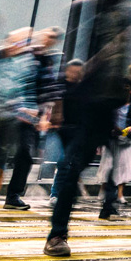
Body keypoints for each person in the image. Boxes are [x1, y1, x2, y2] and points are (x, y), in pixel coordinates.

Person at [44, 0, 131, 257]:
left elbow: (120, 65)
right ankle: (57, 235)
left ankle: (106, 206)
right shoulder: (87, 8)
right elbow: (70, 62)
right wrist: (61, 103)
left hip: (105, 109)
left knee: (101, 165)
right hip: (81, 106)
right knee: (71, 167)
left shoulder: (129, 15)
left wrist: (123, 92)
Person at [0, 27, 41, 212]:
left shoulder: (27, 62)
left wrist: (31, 111)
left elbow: (28, 87)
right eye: (14, 42)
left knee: (24, 153)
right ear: (5, 41)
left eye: (21, 44)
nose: (17, 47)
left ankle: (13, 196)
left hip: (13, 116)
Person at [95, 73, 131, 217]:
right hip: (112, 139)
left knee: (123, 168)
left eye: (127, 89)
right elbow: (103, 117)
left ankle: (115, 197)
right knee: (108, 166)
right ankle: (106, 196)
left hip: (128, 139)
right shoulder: (112, 101)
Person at [47, 59, 84, 207]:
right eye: (73, 71)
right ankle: (56, 194)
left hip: (76, 130)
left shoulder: (84, 88)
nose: (75, 74)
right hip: (59, 129)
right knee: (62, 161)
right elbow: (51, 105)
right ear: (67, 70)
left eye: (79, 71)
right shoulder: (59, 86)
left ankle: (61, 194)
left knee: (68, 163)